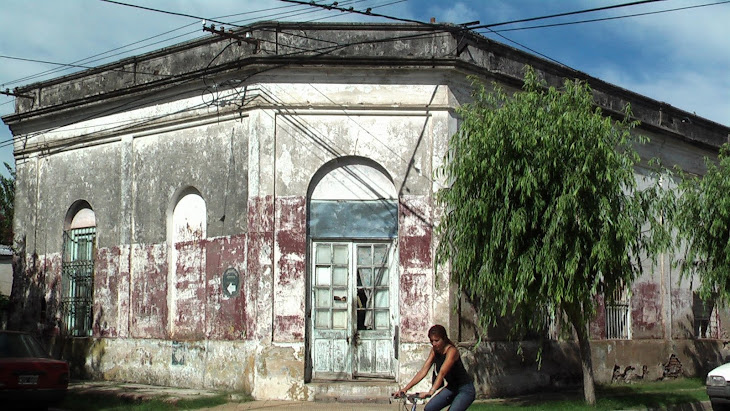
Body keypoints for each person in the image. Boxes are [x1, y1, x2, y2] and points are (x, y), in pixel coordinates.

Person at [394, 325, 476, 411]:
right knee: (429, 408)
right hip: (452, 388)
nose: (434, 344)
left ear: (444, 339)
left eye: (437, 341)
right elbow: (423, 371)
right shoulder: (434, 351)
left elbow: (442, 373)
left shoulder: (452, 351)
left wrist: (431, 392)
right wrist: (405, 389)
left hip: (465, 389)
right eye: (431, 341)